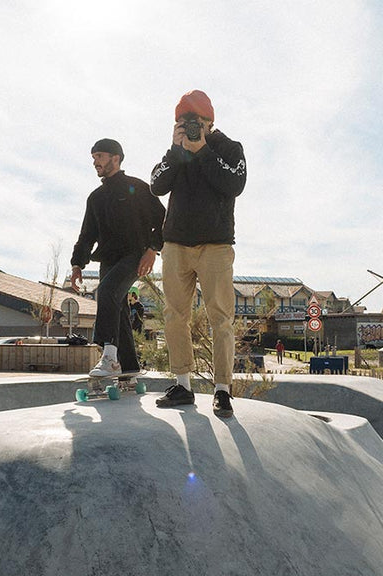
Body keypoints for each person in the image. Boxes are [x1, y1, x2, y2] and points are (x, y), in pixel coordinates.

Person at [151, 90, 247, 418]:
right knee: (174, 315)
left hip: (216, 246)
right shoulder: (176, 151)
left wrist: (203, 150)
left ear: (210, 122)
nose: (190, 127)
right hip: (176, 243)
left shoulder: (229, 148)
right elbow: (156, 185)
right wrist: (176, 151)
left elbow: (233, 184)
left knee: (221, 318)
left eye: (195, 122)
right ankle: (182, 386)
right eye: (183, 122)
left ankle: (222, 390)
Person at [70, 138, 165, 385]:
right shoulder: (96, 198)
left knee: (108, 290)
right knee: (118, 308)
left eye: (99, 157)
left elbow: (163, 219)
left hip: (135, 254)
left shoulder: (138, 187)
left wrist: (153, 249)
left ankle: (110, 356)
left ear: (116, 158)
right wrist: (77, 264)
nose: (95, 162)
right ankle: (129, 371)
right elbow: (87, 234)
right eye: (93, 158)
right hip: (109, 260)